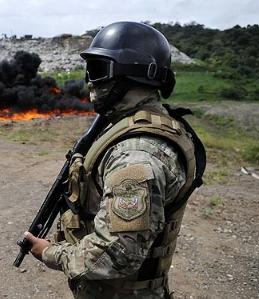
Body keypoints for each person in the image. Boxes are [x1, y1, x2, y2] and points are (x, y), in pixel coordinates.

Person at [24, 22, 206, 298]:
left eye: (98, 71)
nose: (89, 81)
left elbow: (117, 253)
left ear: (129, 75)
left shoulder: (136, 154)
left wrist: (50, 252)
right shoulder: (147, 124)